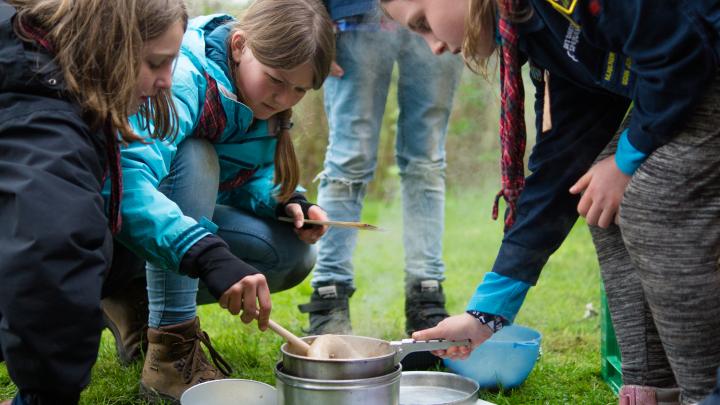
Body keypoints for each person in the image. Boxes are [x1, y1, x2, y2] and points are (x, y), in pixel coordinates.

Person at [382, 0, 720, 403]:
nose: (432, 46)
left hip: (701, 59)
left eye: (423, 23)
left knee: (649, 200)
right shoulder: (534, 32)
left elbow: (681, 51)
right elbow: (560, 168)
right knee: (598, 201)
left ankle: (706, 392)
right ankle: (658, 386)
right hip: (686, 72)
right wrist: (485, 314)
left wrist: (628, 158)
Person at [100, 0, 335, 401]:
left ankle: (134, 298)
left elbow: (245, 176)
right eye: (276, 80)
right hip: (114, 237)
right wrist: (207, 254)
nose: (284, 98)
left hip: (162, 231)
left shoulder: (255, 96)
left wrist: (284, 202)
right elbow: (125, 185)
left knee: (293, 255)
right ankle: (171, 352)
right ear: (240, 45)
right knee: (195, 153)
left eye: (299, 89)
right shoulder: (183, 79)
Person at [0, 0, 187, 404]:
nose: (167, 81)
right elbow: (51, 253)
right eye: (155, 63)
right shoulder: (47, 124)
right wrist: (52, 391)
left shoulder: (33, 60)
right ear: (109, 45)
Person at [299, 0, 464, 339]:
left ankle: (426, 291)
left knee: (426, 161)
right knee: (349, 159)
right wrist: (311, 19)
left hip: (441, 14)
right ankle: (330, 294)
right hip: (353, 19)